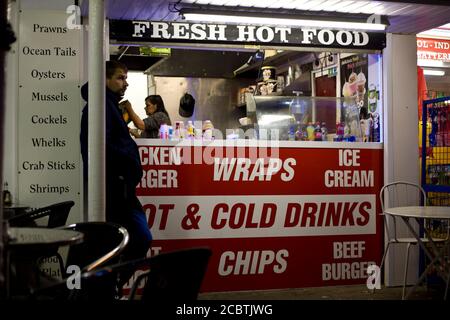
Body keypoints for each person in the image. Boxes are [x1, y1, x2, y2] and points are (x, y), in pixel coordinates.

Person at [80, 61, 152, 297]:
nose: (126, 83)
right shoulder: (99, 107)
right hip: (113, 187)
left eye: (125, 77)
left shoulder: (108, 105)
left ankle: (110, 288)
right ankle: (109, 287)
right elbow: (101, 146)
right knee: (138, 238)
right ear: (105, 79)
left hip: (120, 187)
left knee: (127, 241)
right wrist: (128, 163)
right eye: (120, 78)